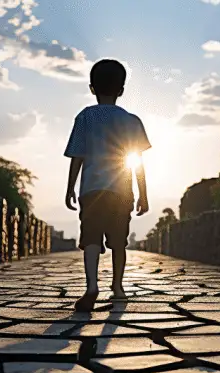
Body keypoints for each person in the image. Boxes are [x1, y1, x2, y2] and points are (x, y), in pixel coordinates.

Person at [64, 58, 151, 312]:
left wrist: (70, 187)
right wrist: (143, 194)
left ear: (92, 88)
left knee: (90, 238)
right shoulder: (131, 120)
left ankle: (91, 286)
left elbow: (77, 156)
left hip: (91, 190)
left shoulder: (85, 117)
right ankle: (118, 286)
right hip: (121, 191)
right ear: (121, 90)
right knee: (118, 241)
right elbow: (137, 162)